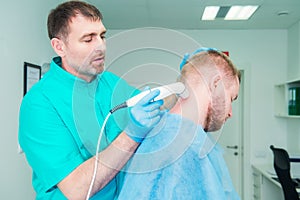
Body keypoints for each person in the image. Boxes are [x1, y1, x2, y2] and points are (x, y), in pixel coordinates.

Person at [18, 1, 164, 199]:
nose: (101, 47)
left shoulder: (110, 83)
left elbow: (156, 109)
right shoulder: (39, 104)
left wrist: (181, 87)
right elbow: (77, 190)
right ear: (59, 46)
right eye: (88, 40)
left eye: (102, 36)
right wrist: (132, 134)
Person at [117, 48, 241, 199]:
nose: (230, 112)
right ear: (216, 84)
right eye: (231, 98)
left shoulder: (169, 132)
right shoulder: (184, 142)